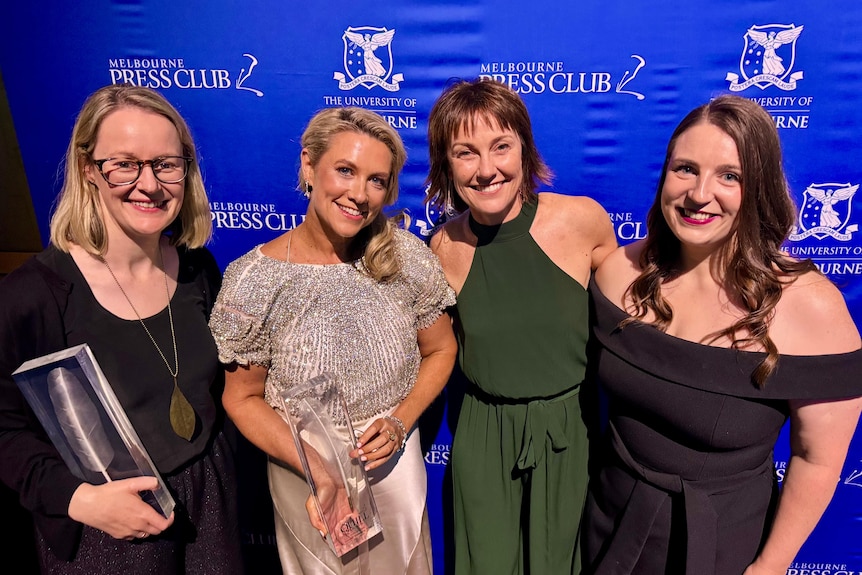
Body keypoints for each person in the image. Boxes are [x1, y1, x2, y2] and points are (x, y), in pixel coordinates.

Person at [582, 94, 862, 575]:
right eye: (685, 169)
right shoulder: (618, 274)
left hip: (719, 547)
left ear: (759, 188)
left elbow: (816, 460)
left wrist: (770, 566)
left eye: (729, 176)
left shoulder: (811, 308)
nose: (698, 193)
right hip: (606, 527)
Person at [0, 84, 243, 573]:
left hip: (210, 508)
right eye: (125, 164)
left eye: (165, 164)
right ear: (89, 170)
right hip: (106, 533)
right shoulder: (34, 296)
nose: (149, 184)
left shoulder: (200, 270)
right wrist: (78, 500)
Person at [208, 106, 457, 574]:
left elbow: (442, 349)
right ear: (308, 165)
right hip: (305, 470)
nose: (359, 194)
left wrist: (401, 422)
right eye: (345, 171)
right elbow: (241, 398)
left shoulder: (404, 256)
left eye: (376, 181)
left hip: (392, 463)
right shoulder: (253, 279)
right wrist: (318, 471)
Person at [426, 78, 617, 574]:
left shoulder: (584, 222)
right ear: (447, 165)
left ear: (525, 150)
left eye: (501, 147)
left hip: (569, 431)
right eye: (466, 153)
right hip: (483, 436)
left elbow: (633, 328)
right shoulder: (441, 247)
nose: (487, 169)